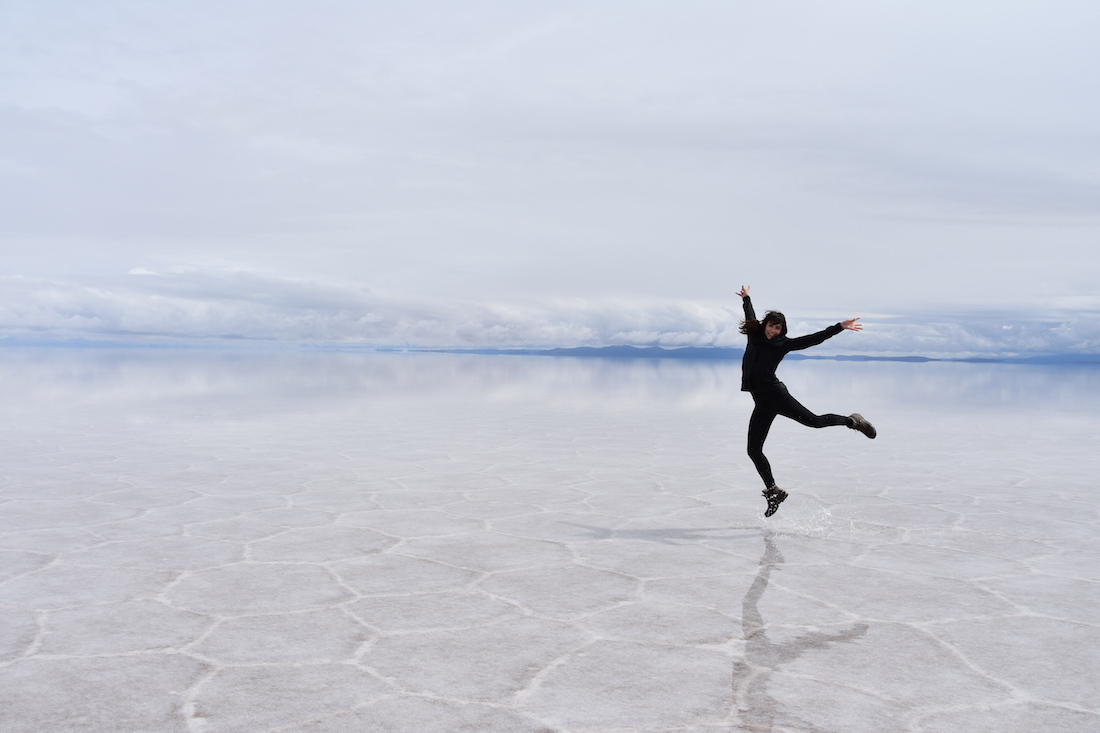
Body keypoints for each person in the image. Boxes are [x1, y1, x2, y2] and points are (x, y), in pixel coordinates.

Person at [737, 285, 876, 517]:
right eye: (771, 326)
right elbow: (749, 315)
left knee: (815, 421)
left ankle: (853, 421)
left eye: (778, 328)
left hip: (776, 395)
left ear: (783, 330)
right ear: (765, 325)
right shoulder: (754, 335)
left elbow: (813, 339)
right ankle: (774, 491)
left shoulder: (784, 344)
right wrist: (747, 298)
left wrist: (839, 327)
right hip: (762, 402)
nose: (774, 331)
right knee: (753, 450)